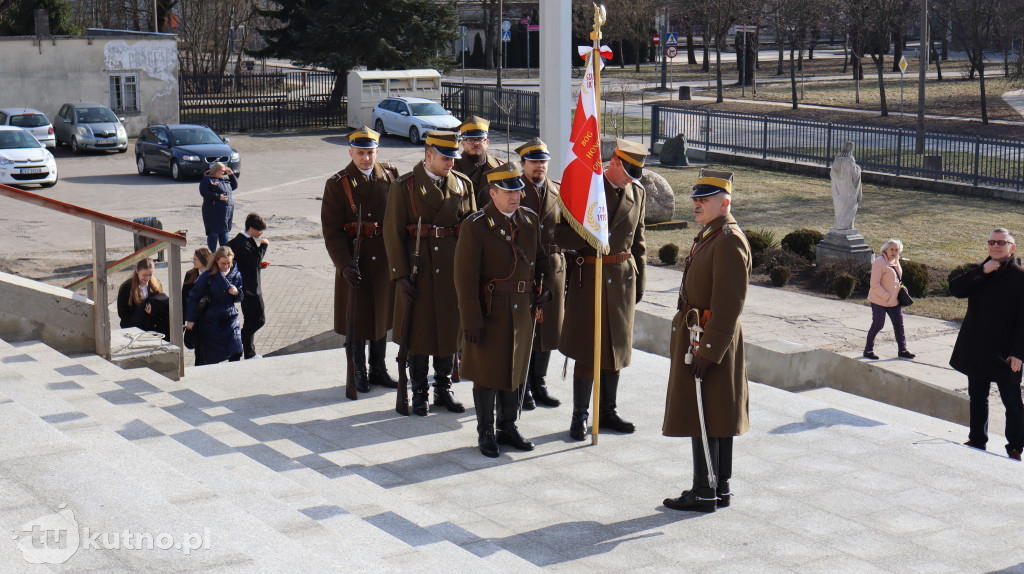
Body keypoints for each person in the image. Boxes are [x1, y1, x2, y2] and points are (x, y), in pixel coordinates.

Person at [662, 169, 752, 513]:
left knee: (706, 417)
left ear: (724, 202)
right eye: (696, 198)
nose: (696, 204)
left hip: (711, 340)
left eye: (704, 199)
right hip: (704, 336)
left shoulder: (728, 239)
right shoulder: (712, 233)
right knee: (714, 415)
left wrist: (708, 351)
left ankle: (705, 491)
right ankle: (718, 488)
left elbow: (729, 303)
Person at [455, 164, 552, 457]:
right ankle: (486, 431)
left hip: (522, 309)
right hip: (490, 309)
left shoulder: (530, 220)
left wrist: (545, 287)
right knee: (487, 371)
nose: (516, 196)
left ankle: (508, 426)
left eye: (518, 190)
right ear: (493, 192)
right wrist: (471, 319)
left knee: (515, 369)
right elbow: (464, 277)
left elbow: (540, 258)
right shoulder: (476, 225)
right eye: (509, 191)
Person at [554, 138, 647, 441]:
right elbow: (559, 235)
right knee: (587, 348)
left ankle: (607, 410)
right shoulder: (588, 190)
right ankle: (580, 415)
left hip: (622, 279)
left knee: (615, 348)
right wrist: (588, 235)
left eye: (637, 175)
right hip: (590, 275)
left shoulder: (637, 193)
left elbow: (640, 244)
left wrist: (640, 283)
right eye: (629, 172)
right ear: (615, 162)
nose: (632, 179)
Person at [384, 130, 476, 416]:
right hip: (418, 270)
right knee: (420, 333)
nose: (451, 163)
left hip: (451, 269)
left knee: (449, 330)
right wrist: (399, 274)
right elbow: (392, 232)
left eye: (453, 157)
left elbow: (471, 230)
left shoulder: (463, 185)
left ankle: (444, 387)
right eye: (445, 157)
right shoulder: (405, 187)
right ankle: (420, 390)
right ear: (429, 155)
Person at [322, 126, 399, 392]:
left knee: (380, 315)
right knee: (356, 319)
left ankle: (379, 368)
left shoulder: (389, 176)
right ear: (351, 152)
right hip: (355, 260)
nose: (366, 158)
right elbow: (331, 231)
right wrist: (343, 264)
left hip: (384, 260)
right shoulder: (337, 183)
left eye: (370, 152)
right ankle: (358, 370)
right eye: (361, 153)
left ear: (377, 151)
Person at [949, 228, 1024, 462]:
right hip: (978, 349)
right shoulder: (979, 270)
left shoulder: (1021, 276)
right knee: (977, 396)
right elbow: (955, 289)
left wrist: (1018, 353)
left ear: (1012, 248)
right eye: (992, 242)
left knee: (1012, 401)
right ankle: (977, 439)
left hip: (1006, 353)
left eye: (1002, 242)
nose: (996, 246)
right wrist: (982, 271)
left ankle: (1015, 447)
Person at [516, 138, 564, 409]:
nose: (539, 166)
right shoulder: (513, 189)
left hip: (552, 267)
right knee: (525, 329)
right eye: (534, 161)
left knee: (547, 329)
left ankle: (539, 382)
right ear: (523, 164)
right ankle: (521, 385)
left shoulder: (557, 190)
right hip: (523, 266)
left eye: (543, 161)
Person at [184, 246, 244, 364]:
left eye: (228, 263)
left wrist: (237, 292)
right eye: (222, 263)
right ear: (216, 261)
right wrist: (190, 319)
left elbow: (241, 296)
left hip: (230, 316)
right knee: (212, 355)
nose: (226, 266)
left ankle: (234, 374)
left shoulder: (236, 274)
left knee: (236, 349)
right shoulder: (208, 275)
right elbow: (194, 296)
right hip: (211, 319)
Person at [864, 239, 915, 360]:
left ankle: (902, 350)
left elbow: (896, 279)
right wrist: (887, 296)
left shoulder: (896, 261)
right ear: (885, 249)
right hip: (879, 300)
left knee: (899, 325)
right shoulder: (879, 262)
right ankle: (868, 350)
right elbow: (874, 284)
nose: (894, 252)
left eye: (896, 250)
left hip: (894, 301)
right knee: (878, 324)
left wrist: (902, 288)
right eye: (891, 249)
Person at [228, 213, 269, 360]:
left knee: (249, 320)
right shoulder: (243, 243)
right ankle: (235, 344)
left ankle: (249, 353)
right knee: (259, 320)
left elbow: (250, 263)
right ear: (251, 228)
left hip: (245, 287)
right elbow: (252, 261)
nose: (261, 233)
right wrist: (263, 246)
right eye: (259, 230)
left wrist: (259, 265)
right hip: (250, 289)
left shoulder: (241, 241)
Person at [453, 116, 503, 208]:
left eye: (480, 139)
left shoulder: (499, 168)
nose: (476, 143)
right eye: (470, 139)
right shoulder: (453, 168)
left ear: (487, 142)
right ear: (463, 144)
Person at [116, 258, 170, 339]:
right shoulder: (127, 287)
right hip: (133, 323)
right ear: (137, 271)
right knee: (151, 301)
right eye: (144, 275)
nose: (147, 278)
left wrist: (152, 312)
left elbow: (160, 307)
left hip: (151, 322)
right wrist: (142, 313)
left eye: (150, 275)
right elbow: (122, 313)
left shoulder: (155, 284)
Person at [182, 247, 213, 366]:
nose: (193, 261)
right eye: (193, 259)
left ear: (204, 260)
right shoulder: (190, 274)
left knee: (204, 349)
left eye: (196, 259)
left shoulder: (213, 275)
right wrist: (184, 320)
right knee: (197, 348)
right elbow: (184, 297)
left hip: (208, 317)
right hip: (194, 319)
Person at [200, 162, 238, 252]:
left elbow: (235, 186)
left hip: (226, 213)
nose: (223, 173)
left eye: (223, 171)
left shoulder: (224, 180)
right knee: (213, 234)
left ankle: (223, 256)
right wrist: (218, 197)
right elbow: (204, 192)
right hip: (213, 213)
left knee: (225, 235)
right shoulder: (207, 180)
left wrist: (231, 174)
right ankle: (211, 255)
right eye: (221, 171)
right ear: (215, 170)